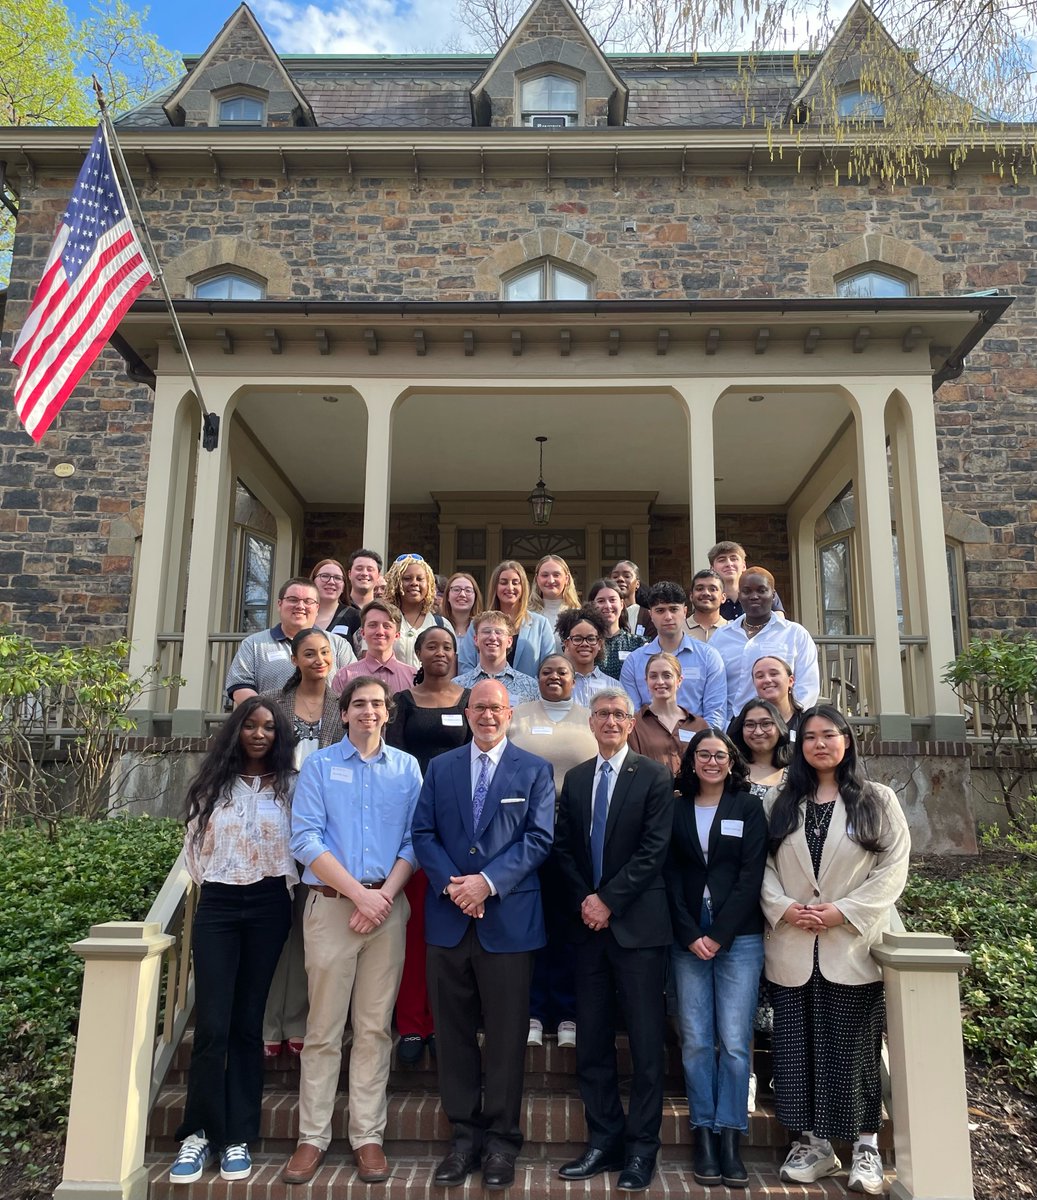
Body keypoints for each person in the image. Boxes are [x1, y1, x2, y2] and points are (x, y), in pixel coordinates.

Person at [412, 679, 555, 1191]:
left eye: (497, 707)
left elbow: (539, 839)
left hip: (508, 922)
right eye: (479, 708)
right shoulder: (441, 768)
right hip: (449, 918)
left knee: (506, 1035)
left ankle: (501, 1140)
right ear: (466, 712)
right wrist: (456, 887)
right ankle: (463, 1137)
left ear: (509, 712)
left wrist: (487, 883)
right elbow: (422, 834)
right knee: (452, 1035)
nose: (488, 715)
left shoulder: (534, 770)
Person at [762, 705, 911, 1195]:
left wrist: (842, 912)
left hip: (851, 947)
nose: (819, 744)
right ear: (799, 745)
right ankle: (815, 1146)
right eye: (810, 737)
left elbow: (891, 871)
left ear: (846, 740)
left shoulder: (877, 800)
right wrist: (783, 907)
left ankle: (866, 1147)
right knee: (797, 1051)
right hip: (792, 944)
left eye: (829, 735)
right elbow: (757, 866)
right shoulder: (782, 802)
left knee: (855, 1052)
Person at [283, 677, 423, 1186]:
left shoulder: (407, 768)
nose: (368, 711)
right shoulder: (319, 765)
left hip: (387, 912)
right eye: (359, 704)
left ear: (388, 713)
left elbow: (415, 839)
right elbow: (305, 838)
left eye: (377, 704)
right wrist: (359, 896)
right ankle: (311, 1137)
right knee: (322, 1030)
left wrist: (382, 896)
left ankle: (368, 1136)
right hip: (332, 907)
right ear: (343, 714)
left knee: (373, 1029)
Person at [168, 698, 297, 1185]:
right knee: (213, 1025)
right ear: (236, 731)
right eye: (251, 726)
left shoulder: (290, 787)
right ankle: (197, 1133)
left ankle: (239, 1134)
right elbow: (194, 850)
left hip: (269, 906)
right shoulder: (212, 785)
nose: (259, 734)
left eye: (268, 727)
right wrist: (227, 877)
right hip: (219, 906)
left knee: (247, 1025)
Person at [553, 687, 674, 1193]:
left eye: (617, 714)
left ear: (630, 723)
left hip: (638, 929)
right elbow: (564, 849)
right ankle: (604, 1140)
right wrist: (587, 899)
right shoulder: (578, 780)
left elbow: (654, 850)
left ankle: (642, 1149)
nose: (608, 720)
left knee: (647, 1044)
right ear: (591, 722)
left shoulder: (653, 776)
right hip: (588, 930)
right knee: (593, 1041)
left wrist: (609, 900)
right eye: (600, 713)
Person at [665, 728, 767, 1189]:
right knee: (696, 1040)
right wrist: (689, 932)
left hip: (738, 935)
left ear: (731, 761)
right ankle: (703, 1132)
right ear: (692, 761)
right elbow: (666, 871)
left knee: (734, 1039)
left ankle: (731, 1135)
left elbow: (752, 874)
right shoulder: (676, 806)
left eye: (719, 755)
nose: (711, 761)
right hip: (686, 934)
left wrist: (721, 933)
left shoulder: (748, 807)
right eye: (702, 754)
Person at [385, 626, 472, 1067]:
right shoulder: (401, 703)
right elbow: (395, 763)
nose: (440, 652)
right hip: (415, 825)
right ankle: (413, 1024)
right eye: (431, 646)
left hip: (460, 827)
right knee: (415, 927)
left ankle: (444, 1022)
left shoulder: (469, 699)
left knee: (452, 931)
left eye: (448, 647)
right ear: (417, 653)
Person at [510, 654, 598, 1050]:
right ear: (537, 678)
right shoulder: (520, 714)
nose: (554, 677)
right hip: (523, 832)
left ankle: (566, 1013)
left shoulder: (590, 718)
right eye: (547, 672)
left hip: (576, 833)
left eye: (562, 672)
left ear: (573, 678)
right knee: (529, 923)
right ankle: (531, 1010)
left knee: (567, 924)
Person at [265, 628, 343, 1060]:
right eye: (309, 653)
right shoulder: (273, 702)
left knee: (305, 930)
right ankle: (267, 1022)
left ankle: (297, 1020)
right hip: (277, 819)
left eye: (325, 653)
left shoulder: (341, 704)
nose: (318, 659)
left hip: (323, 825)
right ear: (295, 660)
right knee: (276, 925)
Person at [224, 577, 356, 705]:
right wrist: (268, 714)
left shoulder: (339, 645)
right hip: (273, 724)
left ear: (317, 608)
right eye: (293, 600)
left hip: (327, 725)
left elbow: (354, 686)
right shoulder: (254, 644)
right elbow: (239, 687)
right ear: (279, 604)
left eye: (308, 601)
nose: (300, 606)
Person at [711, 567, 819, 722]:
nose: (754, 596)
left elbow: (807, 686)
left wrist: (789, 723)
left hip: (780, 725)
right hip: (731, 725)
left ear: (773, 595)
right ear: (739, 595)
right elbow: (713, 687)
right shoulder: (721, 637)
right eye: (747, 591)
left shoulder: (795, 634)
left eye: (761, 590)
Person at [619, 581, 727, 727]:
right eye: (660, 610)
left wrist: (703, 746)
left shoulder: (708, 657)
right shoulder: (633, 662)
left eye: (674, 609)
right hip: (649, 744)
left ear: (685, 611)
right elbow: (632, 714)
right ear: (651, 614)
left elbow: (716, 713)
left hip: (697, 742)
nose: (668, 616)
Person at [459, 560, 554, 677]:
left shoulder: (541, 624)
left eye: (515, 582)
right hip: (484, 693)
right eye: (503, 582)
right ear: (495, 587)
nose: (510, 587)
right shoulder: (478, 623)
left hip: (529, 694)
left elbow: (549, 667)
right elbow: (465, 666)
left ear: (523, 586)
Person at [628, 651, 704, 774]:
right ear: (646, 681)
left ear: (679, 680)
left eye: (667, 675)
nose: (660, 681)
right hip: (651, 792)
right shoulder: (634, 725)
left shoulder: (699, 725)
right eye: (653, 676)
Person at [454, 609, 540, 706]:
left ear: (509, 641)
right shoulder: (458, 686)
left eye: (499, 632)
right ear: (476, 639)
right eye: (486, 632)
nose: (492, 637)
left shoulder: (530, 687)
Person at [331, 599, 416, 695]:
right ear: (362, 633)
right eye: (372, 625)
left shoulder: (412, 677)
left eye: (387, 626)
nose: (380, 631)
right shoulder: (344, 677)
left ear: (397, 635)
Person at [381, 554, 443, 668]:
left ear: (428, 584)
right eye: (407, 578)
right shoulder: (381, 620)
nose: (414, 583)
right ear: (395, 583)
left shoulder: (441, 624)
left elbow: (450, 672)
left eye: (420, 579)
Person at [729, 698, 791, 797]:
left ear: (779, 727)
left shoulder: (797, 772)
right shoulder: (731, 770)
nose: (758, 732)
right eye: (750, 725)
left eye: (766, 724)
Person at [708, 541, 784, 622]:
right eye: (722, 560)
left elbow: (779, 625)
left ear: (744, 566)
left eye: (734, 559)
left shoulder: (764, 593)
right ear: (712, 568)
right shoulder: (708, 597)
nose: (729, 564)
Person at [587, 578, 645, 679]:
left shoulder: (639, 644)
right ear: (592, 605)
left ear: (622, 604)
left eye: (612, 600)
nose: (608, 606)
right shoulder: (585, 644)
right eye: (601, 601)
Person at [557, 604, 612, 706]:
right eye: (577, 639)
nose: (585, 644)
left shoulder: (614, 686)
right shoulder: (556, 684)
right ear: (567, 644)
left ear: (599, 644)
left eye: (591, 639)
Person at [752, 655, 806, 739]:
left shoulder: (806, 722)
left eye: (773, 674)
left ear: (791, 681)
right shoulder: (744, 724)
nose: (767, 680)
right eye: (760, 676)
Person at [530, 553, 581, 631]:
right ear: (537, 579)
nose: (551, 580)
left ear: (566, 579)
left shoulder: (578, 616)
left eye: (556, 575)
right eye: (545, 575)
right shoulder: (526, 615)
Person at [309, 558, 352, 637]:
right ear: (313, 581)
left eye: (337, 578)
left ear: (343, 587)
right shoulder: (302, 613)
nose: (331, 582)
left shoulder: (354, 617)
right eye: (325, 576)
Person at [686, 568, 729, 643]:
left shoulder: (733, 631)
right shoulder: (678, 630)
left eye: (712, 589)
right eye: (699, 589)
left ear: (723, 597)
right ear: (691, 596)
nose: (706, 593)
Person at [441, 572, 483, 640]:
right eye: (456, 590)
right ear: (447, 596)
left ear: (475, 597)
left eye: (468, 590)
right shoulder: (436, 624)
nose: (462, 594)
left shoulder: (483, 627)